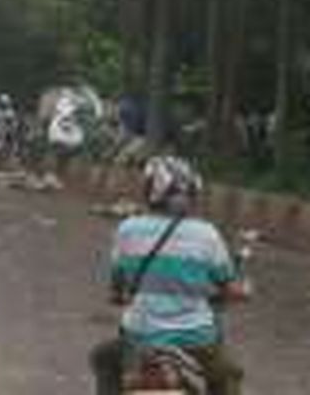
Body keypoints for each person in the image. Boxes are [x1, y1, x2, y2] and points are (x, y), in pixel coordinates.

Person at [90, 156, 247, 395]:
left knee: (102, 358)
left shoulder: (128, 229)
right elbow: (228, 286)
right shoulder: (207, 235)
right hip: (196, 339)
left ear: (149, 191)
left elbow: (117, 285)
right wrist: (243, 290)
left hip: (138, 335)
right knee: (230, 374)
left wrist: (118, 296)